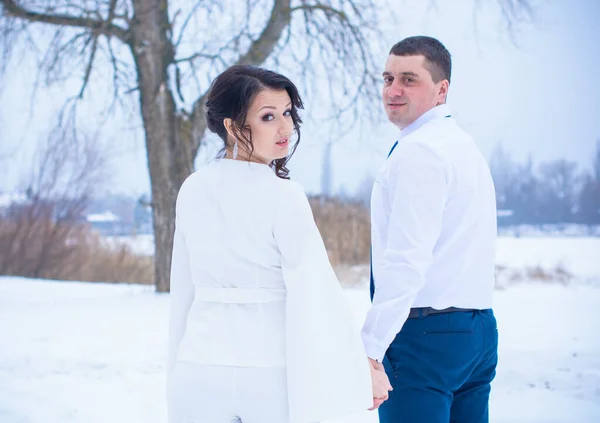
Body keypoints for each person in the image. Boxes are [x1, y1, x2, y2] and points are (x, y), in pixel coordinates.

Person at [166, 64, 392, 423]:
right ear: (231, 125)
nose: (286, 127)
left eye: (287, 112)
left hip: (198, 368)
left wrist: (174, 367)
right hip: (267, 372)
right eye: (268, 116)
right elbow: (319, 292)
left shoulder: (192, 188)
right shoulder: (284, 196)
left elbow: (182, 290)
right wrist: (359, 367)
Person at [361, 36, 499, 422]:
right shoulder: (462, 145)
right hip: (477, 331)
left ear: (442, 90)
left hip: (425, 336)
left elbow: (407, 259)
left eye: (408, 79)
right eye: (387, 79)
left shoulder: (420, 152)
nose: (393, 90)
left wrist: (371, 346)